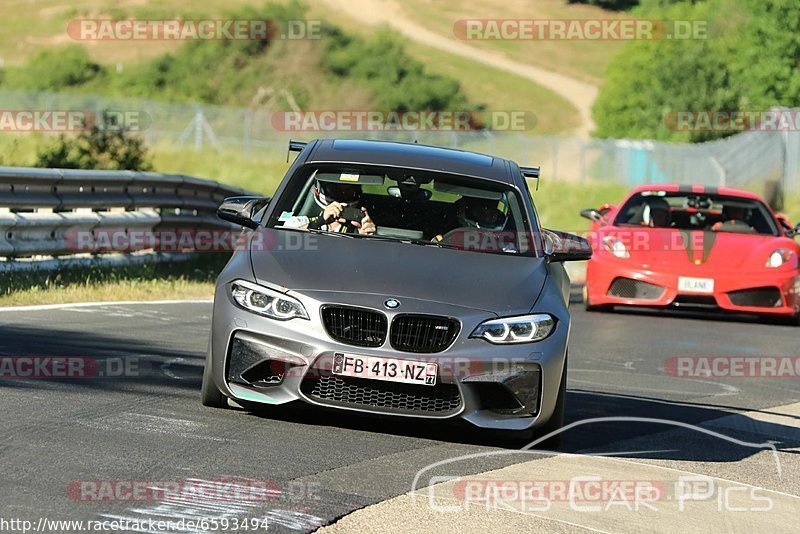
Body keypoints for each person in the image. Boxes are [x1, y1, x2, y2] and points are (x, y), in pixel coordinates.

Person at [306, 179, 376, 235]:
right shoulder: (303, 221)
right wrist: (318, 222)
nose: (341, 193)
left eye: (348, 190)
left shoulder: (359, 225)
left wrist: (365, 237)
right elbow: (297, 238)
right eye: (334, 188)